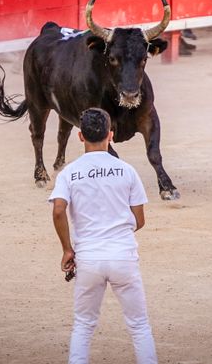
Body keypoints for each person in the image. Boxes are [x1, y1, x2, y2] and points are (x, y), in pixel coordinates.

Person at [49, 108, 157, 364]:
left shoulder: (69, 173)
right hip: (123, 256)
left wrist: (67, 249)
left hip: (88, 259)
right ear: (110, 135)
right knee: (139, 326)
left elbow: (58, 211)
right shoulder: (126, 170)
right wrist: (118, 228)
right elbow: (139, 220)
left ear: (80, 136)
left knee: (83, 325)